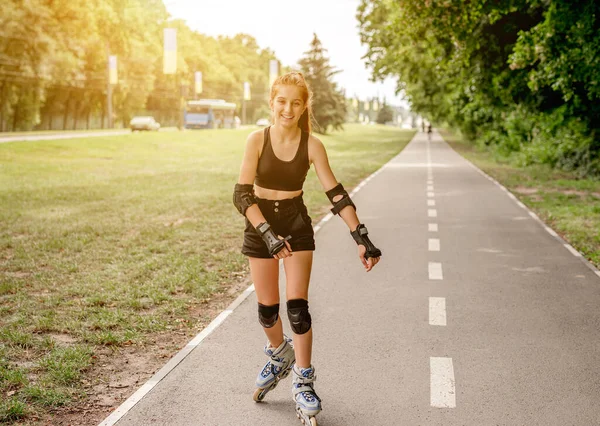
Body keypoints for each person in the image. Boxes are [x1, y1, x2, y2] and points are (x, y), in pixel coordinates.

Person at [233, 72, 382, 426]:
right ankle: (278, 353)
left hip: (297, 226)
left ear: (304, 106)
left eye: (295, 102)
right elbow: (241, 194)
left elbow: (336, 193)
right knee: (268, 310)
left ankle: (303, 380)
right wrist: (268, 234)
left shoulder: (311, 145)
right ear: (271, 102)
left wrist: (360, 236)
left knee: (297, 307)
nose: (288, 108)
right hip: (260, 227)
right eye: (281, 101)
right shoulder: (257, 140)